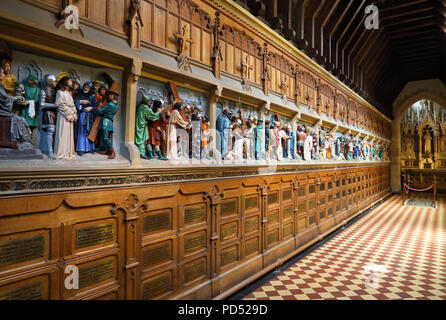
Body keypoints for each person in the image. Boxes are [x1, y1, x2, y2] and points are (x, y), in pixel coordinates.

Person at [0, 67, 32, 148]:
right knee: (19, 119)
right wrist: (16, 98)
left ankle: (23, 140)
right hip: (2, 112)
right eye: (2, 73)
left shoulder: (1, 85)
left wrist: (16, 98)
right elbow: (4, 98)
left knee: (21, 119)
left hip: (4, 110)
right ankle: (18, 140)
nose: (4, 75)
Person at [54, 76, 77, 160]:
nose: (71, 83)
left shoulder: (69, 93)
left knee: (69, 135)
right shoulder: (60, 92)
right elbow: (60, 105)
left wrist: (74, 113)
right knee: (62, 134)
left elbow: (72, 104)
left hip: (70, 116)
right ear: (65, 82)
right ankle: (61, 152)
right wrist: (70, 114)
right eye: (70, 81)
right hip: (63, 116)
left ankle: (68, 151)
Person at [93, 87, 119, 159]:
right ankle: (107, 150)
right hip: (110, 121)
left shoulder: (110, 104)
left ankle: (112, 152)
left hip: (105, 121)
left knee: (105, 138)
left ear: (114, 96)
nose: (109, 96)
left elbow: (100, 111)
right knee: (106, 137)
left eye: (111, 95)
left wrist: (94, 110)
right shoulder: (116, 105)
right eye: (109, 94)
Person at [75, 82, 98, 156]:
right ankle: (80, 148)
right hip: (82, 115)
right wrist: (81, 102)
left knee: (89, 131)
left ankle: (90, 148)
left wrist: (91, 108)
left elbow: (96, 106)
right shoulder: (80, 95)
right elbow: (75, 102)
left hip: (90, 116)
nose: (86, 88)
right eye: (85, 86)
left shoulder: (93, 96)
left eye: (88, 87)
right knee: (81, 131)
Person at [39, 74, 58, 159]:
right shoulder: (44, 91)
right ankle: (50, 151)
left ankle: (56, 149)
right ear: (50, 81)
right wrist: (54, 105)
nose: (55, 83)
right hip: (48, 113)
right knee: (51, 130)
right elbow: (41, 104)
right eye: (54, 81)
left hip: (56, 113)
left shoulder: (56, 90)